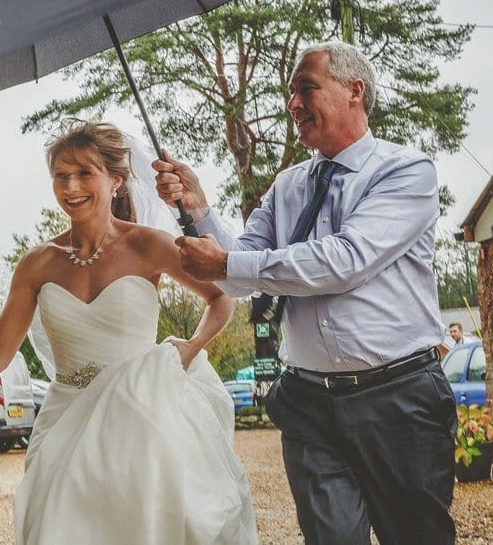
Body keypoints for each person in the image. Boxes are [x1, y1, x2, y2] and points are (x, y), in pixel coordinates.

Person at [153, 42, 456, 544]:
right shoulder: (287, 186)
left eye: (306, 89)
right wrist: (199, 208)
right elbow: (236, 276)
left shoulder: (405, 172)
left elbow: (345, 262)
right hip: (310, 403)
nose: (293, 103)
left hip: (399, 399)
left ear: (355, 91)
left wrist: (227, 262)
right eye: (291, 92)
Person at [0, 122, 257, 544]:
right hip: (65, 422)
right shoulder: (37, 264)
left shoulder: (149, 245)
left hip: (142, 419)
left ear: (116, 180)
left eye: (84, 173)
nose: (71, 186)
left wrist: (190, 347)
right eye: (61, 176)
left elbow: (221, 297)